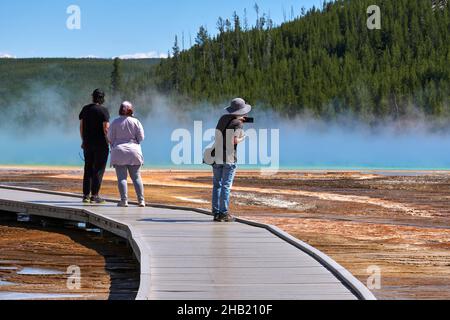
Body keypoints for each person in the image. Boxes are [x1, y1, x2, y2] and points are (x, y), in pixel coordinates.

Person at [211, 98, 251, 222]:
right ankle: (224, 213)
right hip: (229, 157)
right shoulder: (238, 124)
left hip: (217, 155)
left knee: (217, 184)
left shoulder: (223, 118)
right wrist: (243, 137)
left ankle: (216, 212)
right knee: (226, 186)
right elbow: (233, 141)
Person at [108, 101, 146, 208]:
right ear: (130, 110)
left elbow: (110, 137)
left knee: (122, 178)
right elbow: (141, 137)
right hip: (134, 151)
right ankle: (141, 200)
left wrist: (115, 143)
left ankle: (124, 201)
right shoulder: (136, 121)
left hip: (119, 151)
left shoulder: (115, 122)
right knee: (137, 177)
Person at [79, 89, 110, 204]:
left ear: (93, 97)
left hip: (87, 144)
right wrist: (109, 142)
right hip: (101, 144)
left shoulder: (85, 109)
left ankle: (86, 196)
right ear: (102, 98)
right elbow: (106, 129)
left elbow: (81, 127)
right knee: (98, 169)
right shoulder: (103, 111)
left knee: (87, 168)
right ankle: (95, 195)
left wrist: (83, 140)